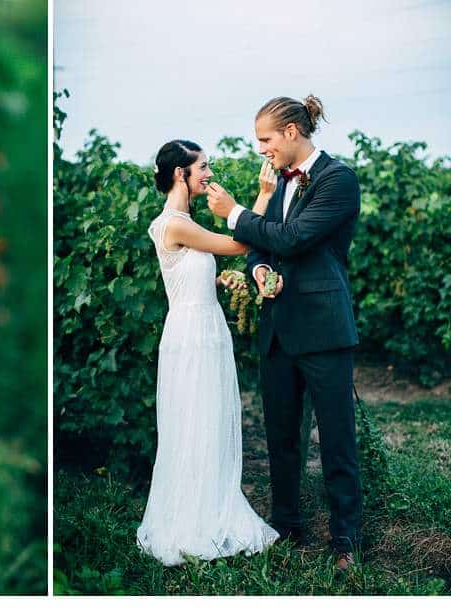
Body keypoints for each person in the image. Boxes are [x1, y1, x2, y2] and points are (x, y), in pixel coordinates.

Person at [206, 95, 362, 571]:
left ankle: (346, 542)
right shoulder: (278, 187)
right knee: (280, 436)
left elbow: (293, 239)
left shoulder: (338, 180)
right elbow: (262, 245)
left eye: (265, 140)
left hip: (323, 328)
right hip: (278, 329)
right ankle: (287, 526)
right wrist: (256, 271)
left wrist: (233, 213)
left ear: (292, 132)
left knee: (336, 439)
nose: (261, 150)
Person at [135, 139, 279, 565]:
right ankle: (193, 521)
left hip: (206, 327)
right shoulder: (174, 223)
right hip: (191, 335)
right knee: (194, 420)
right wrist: (264, 196)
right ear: (181, 173)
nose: (209, 175)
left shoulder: (184, 222)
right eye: (203, 168)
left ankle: (210, 504)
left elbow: (188, 272)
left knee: (209, 419)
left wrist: (217, 282)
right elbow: (237, 245)